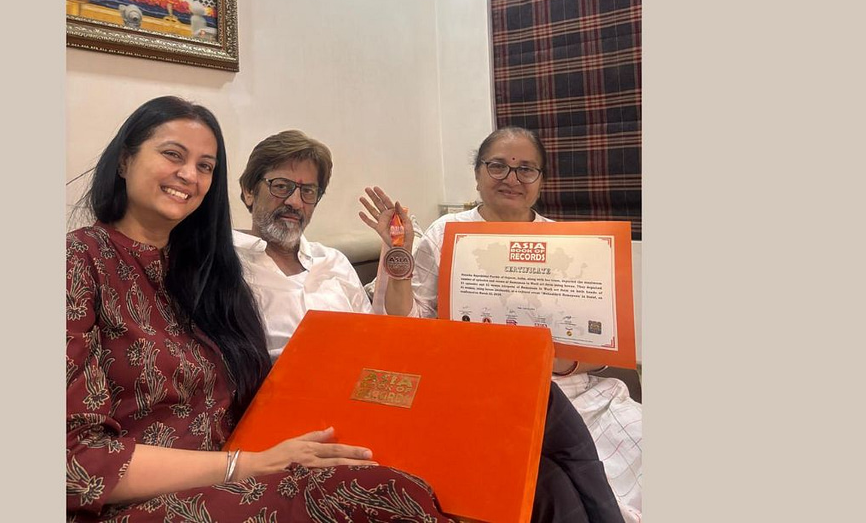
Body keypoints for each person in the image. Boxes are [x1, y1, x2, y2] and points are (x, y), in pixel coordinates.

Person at [66, 97, 454, 522]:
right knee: (385, 495)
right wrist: (248, 464)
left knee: (410, 481)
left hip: (250, 463)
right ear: (125, 160)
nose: (189, 175)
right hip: (145, 498)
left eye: (205, 166)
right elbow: (74, 462)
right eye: (173, 155)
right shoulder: (78, 261)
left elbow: (381, 343)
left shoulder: (205, 270)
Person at [234, 129, 625, 523]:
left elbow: (381, 334)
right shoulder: (223, 266)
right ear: (249, 191)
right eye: (281, 186)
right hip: (303, 408)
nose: (295, 201)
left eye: (308, 191)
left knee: (549, 477)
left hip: (370, 392)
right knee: (539, 399)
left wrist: (395, 250)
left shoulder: (331, 262)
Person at [366, 126, 643, 522]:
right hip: (480, 392)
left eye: (526, 169)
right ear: (478, 174)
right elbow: (408, 326)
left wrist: (560, 363)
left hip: (570, 389)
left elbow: (601, 350)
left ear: (541, 181)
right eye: (498, 166)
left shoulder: (570, 242)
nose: (512, 179)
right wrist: (399, 255)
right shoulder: (444, 234)